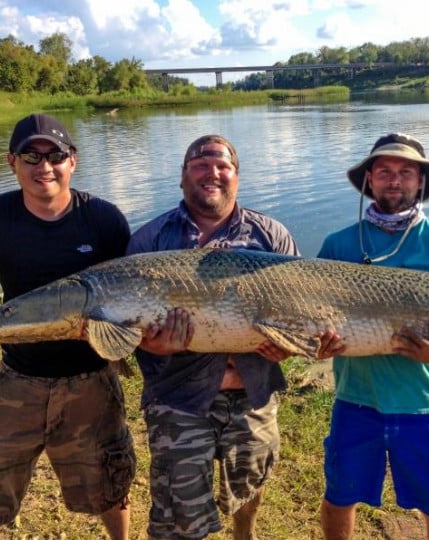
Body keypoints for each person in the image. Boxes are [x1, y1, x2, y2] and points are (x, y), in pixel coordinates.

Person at [0, 113, 136, 540]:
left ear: (72, 161)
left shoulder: (104, 219)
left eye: (55, 155)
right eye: (31, 155)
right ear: (11, 162)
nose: (45, 166)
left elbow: (129, 294)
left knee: (111, 485)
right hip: (18, 374)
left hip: (91, 377)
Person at [126, 134, 299, 540]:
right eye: (200, 164)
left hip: (253, 391)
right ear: (183, 177)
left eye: (223, 166)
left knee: (249, 484)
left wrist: (286, 348)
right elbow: (124, 325)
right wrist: (149, 343)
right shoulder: (150, 241)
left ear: (237, 176)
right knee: (177, 503)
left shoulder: (271, 236)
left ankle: (245, 535)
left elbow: (297, 314)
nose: (213, 173)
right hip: (177, 394)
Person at [316, 133, 429, 540]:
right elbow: (314, 320)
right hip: (356, 401)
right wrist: (318, 345)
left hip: (425, 405)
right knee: (339, 497)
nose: (395, 180)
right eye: (385, 171)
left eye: (406, 172)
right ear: (369, 180)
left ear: (420, 182)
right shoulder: (338, 245)